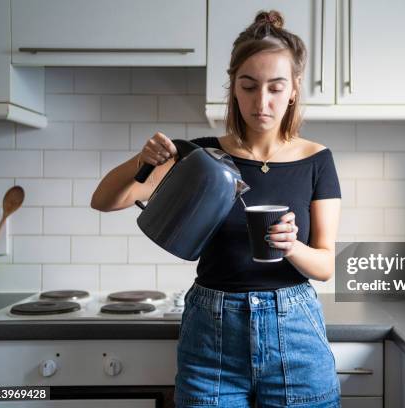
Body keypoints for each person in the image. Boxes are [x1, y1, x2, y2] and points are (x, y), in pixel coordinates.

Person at [91, 10, 342, 408]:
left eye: (276, 88)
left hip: (295, 333)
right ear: (233, 89)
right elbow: (103, 201)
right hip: (212, 332)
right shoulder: (204, 156)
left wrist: (292, 246)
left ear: (294, 89)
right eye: (249, 86)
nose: (262, 102)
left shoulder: (317, 160)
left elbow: (327, 266)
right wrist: (142, 160)